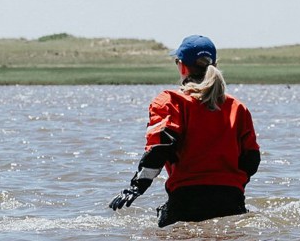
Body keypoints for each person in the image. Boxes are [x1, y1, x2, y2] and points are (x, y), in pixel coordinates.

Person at [109, 35, 260, 226]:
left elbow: (160, 149)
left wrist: (135, 188)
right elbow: (251, 160)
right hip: (232, 201)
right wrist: (232, 186)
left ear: (181, 66)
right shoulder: (238, 108)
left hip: (186, 201)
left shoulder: (171, 102)